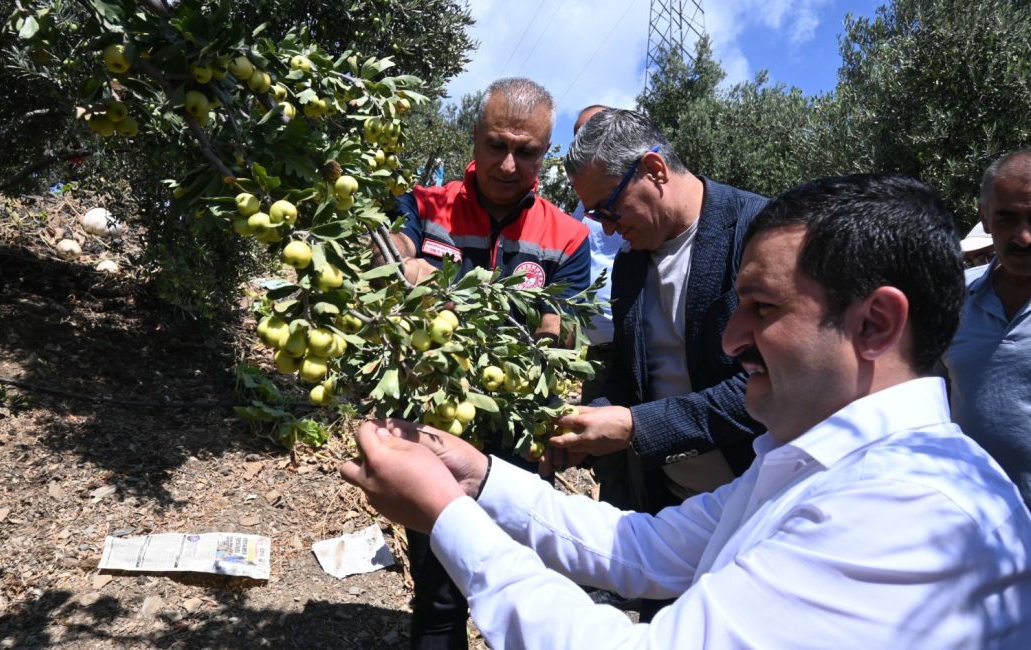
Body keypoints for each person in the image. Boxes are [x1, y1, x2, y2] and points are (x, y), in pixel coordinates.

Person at [341, 173, 1031, 649]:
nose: (732, 341)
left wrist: (446, 516)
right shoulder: (814, 465)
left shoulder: (912, 513)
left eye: (762, 309)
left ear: (875, 325)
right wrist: (479, 478)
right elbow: (640, 549)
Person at [386, 77, 591, 649]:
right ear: (473, 138)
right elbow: (391, 248)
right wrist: (404, 260)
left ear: (545, 154)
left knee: (519, 582)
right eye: (496, 144)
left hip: (515, 431)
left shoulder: (568, 237)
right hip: (431, 418)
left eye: (527, 152)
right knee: (438, 584)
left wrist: (552, 335)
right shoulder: (425, 208)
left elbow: (564, 333)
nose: (508, 164)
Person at [552, 109, 767, 515]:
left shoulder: (759, 233)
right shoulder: (631, 263)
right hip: (671, 509)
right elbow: (625, 375)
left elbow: (771, 386)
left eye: (609, 209)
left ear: (654, 170)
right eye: (596, 217)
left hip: (758, 507)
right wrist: (584, 425)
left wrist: (637, 427)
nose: (609, 230)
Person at [943, 149, 1031, 509]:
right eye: (1008, 218)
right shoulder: (952, 297)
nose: (1024, 237)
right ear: (985, 218)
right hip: (971, 522)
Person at [567, 104, 624, 403]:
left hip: (629, 350)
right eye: (577, 135)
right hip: (596, 352)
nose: (581, 142)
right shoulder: (583, 202)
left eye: (589, 132)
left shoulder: (623, 197)